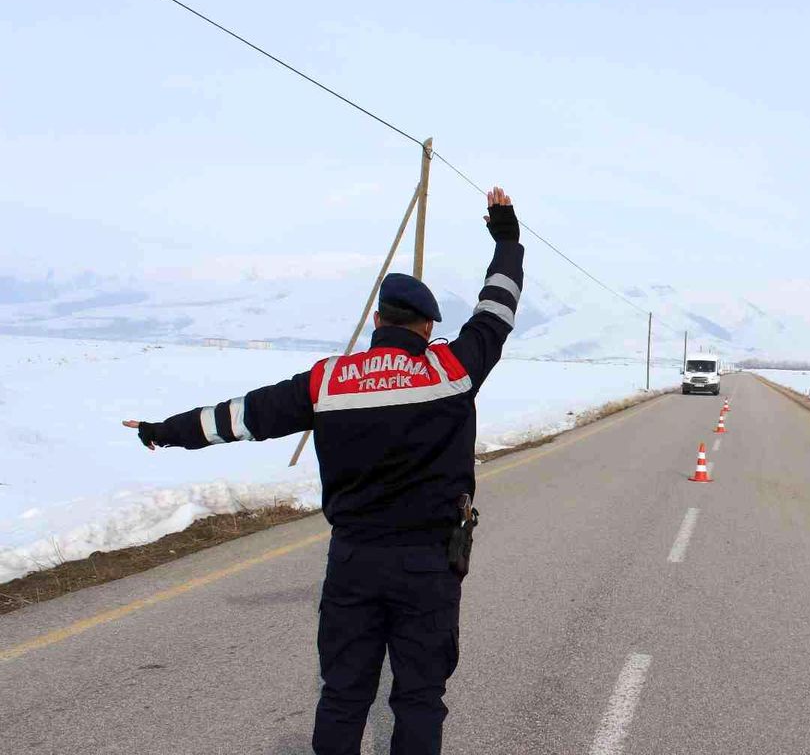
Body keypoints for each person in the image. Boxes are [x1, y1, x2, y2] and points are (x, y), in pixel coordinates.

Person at [123, 187, 524, 754]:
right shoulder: (453, 368)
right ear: (426, 328)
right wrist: (506, 239)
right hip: (429, 562)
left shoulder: (327, 382)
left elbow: (240, 417)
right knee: (419, 698)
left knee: (342, 695)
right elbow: (497, 308)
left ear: (378, 321)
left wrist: (162, 431)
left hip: (354, 560)